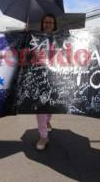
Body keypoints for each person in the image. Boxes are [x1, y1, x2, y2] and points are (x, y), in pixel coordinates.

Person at [36, 14, 57, 151]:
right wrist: (25, 35)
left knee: (51, 104)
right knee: (40, 107)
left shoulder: (60, 38)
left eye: (50, 22)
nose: (48, 24)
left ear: (54, 25)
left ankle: (47, 121)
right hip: (39, 75)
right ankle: (43, 136)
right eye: (45, 22)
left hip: (56, 76)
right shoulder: (35, 37)